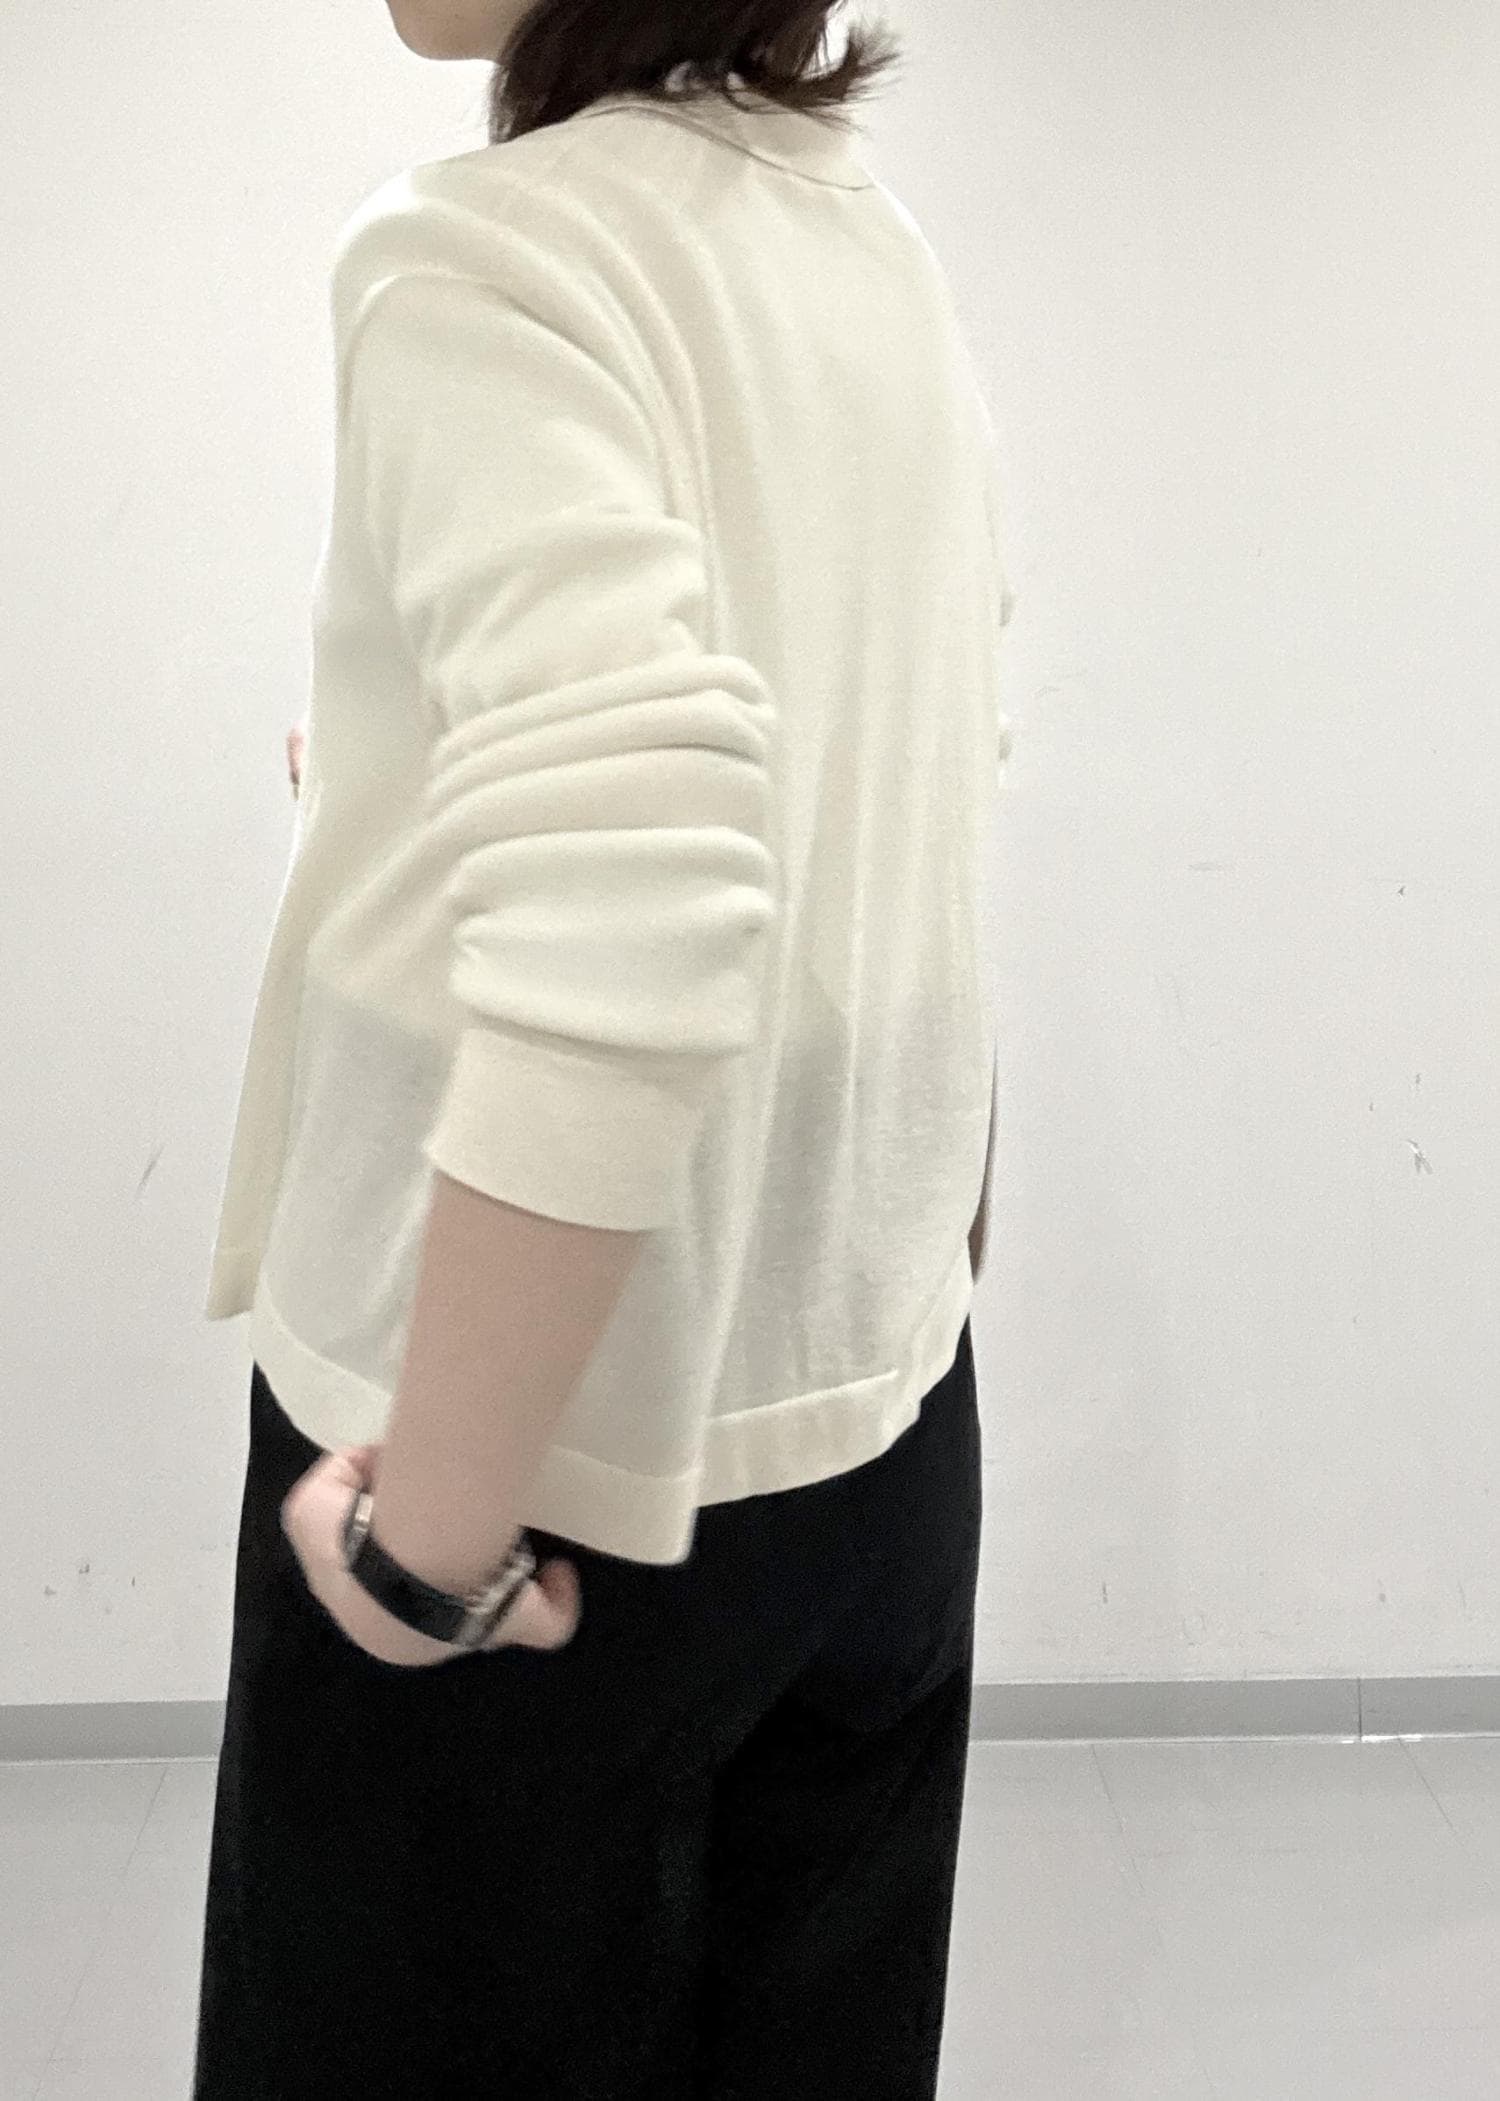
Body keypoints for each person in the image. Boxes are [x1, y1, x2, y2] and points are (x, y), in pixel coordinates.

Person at [194, 3, 1015, 2094]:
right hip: (873, 1436)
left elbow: (638, 882)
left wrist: (428, 1551)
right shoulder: (869, 244)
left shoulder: (480, 254)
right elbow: (923, 779)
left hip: (523, 1480)